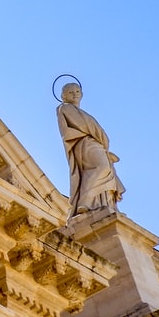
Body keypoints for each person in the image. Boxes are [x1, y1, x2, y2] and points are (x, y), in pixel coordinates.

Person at [57, 82, 125, 218]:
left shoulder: (81, 112)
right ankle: (85, 200)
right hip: (85, 144)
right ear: (64, 96)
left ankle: (102, 205)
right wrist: (103, 137)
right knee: (102, 167)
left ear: (82, 94)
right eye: (70, 92)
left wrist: (102, 140)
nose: (74, 94)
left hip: (95, 144)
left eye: (77, 91)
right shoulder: (65, 108)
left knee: (107, 171)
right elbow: (85, 126)